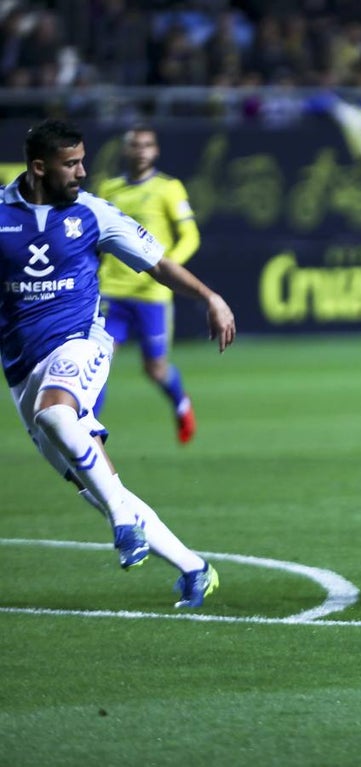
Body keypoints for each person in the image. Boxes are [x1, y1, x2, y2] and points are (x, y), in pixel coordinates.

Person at [0, 119, 236, 608]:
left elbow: (157, 262)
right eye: (72, 164)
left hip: (81, 343)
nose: (83, 171)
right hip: (22, 366)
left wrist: (210, 296)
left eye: (83, 160)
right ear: (39, 167)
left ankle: (123, 524)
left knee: (56, 413)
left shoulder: (93, 214)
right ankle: (195, 568)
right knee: (96, 480)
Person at [94, 125, 201, 443]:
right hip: (112, 292)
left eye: (146, 145)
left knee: (155, 369)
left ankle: (181, 403)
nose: (140, 150)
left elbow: (191, 236)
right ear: (125, 151)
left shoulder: (168, 188)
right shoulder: (108, 189)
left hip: (152, 295)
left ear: (155, 151)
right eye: (134, 145)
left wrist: (166, 268)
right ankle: (87, 430)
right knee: (97, 364)